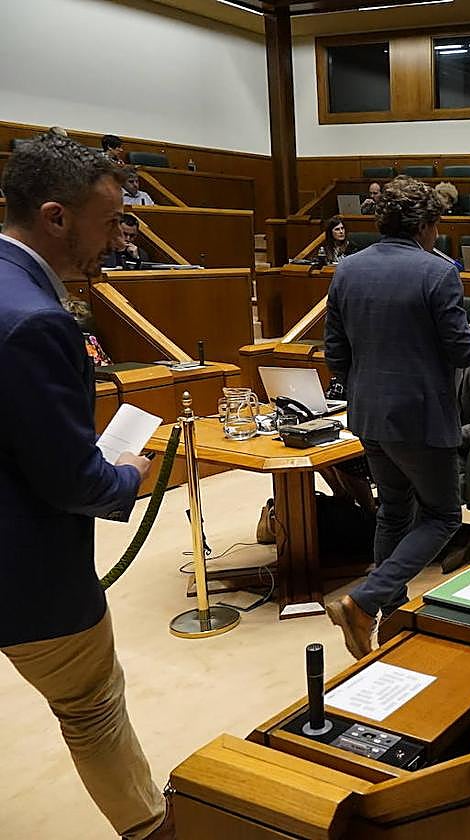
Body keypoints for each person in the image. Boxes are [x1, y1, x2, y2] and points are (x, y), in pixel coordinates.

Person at [0, 134, 171, 838]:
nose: (119, 237)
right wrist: (125, 474)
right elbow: (72, 480)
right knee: (93, 708)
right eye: (109, 222)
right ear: (56, 217)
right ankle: (151, 829)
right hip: (25, 570)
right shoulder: (36, 320)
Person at [323, 176, 470, 660]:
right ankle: (365, 601)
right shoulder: (438, 273)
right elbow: (460, 351)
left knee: (393, 509)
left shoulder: (346, 269)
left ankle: (387, 615)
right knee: (442, 515)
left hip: (368, 414)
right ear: (427, 225)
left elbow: (335, 353)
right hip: (421, 417)